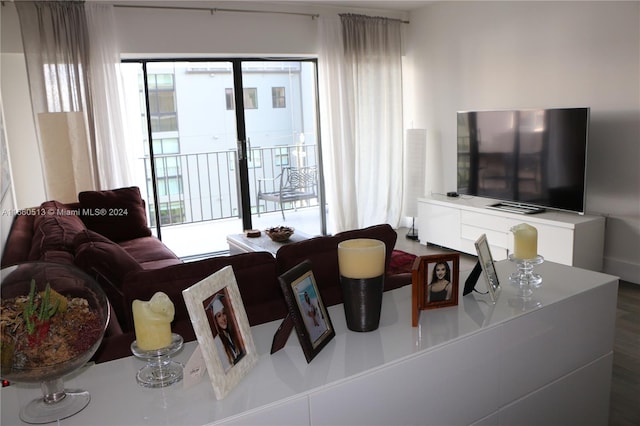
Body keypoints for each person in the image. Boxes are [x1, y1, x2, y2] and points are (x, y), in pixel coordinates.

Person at [207, 293, 244, 371]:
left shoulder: (230, 335)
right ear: (216, 320)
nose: (223, 318)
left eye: (224, 313)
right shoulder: (217, 341)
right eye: (219, 316)